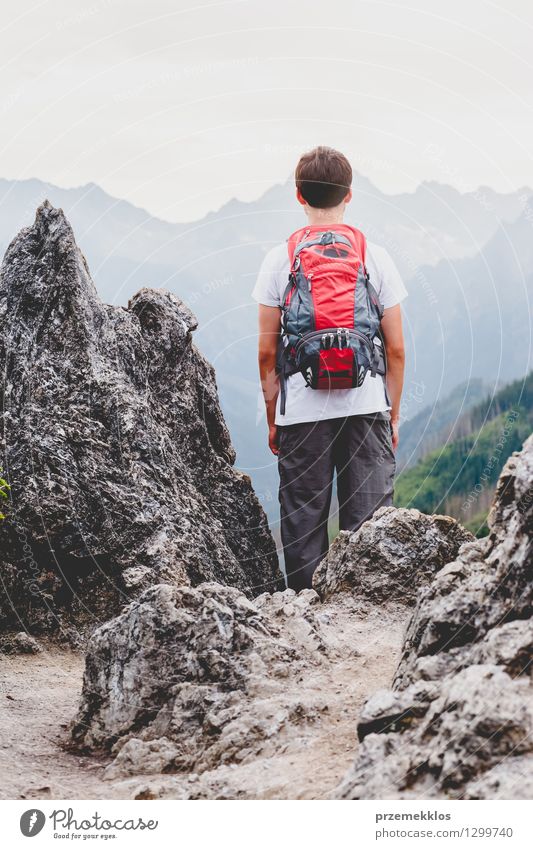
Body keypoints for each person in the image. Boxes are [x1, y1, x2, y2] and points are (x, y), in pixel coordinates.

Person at [253, 146, 407, 591]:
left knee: (303, 525)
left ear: (299, 196)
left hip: (301, 412)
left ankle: (305, 619)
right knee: (371, 530)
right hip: (365, 406)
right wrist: (391, 413)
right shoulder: (374, 257)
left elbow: (266, 354)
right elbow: (396, 350)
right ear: (350, 195)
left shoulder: (278, 260)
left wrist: (273, 416)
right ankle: (366, 620)